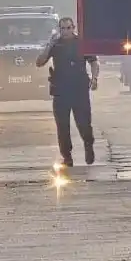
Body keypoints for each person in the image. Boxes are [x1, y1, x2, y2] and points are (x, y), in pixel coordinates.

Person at [36, 16, 99, 167]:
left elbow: (93, 62)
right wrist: (49, 45)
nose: (66, 31)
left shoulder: (81, 43)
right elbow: (39, 62)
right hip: (61, 91)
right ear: (59, 29)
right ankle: (67, 156)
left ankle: (88, 146)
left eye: (68, 28)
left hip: (79, 89)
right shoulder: (55, 45)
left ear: (74, 28)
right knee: (62, 126)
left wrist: (95, 78)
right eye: (63, 28)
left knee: (84, 123)